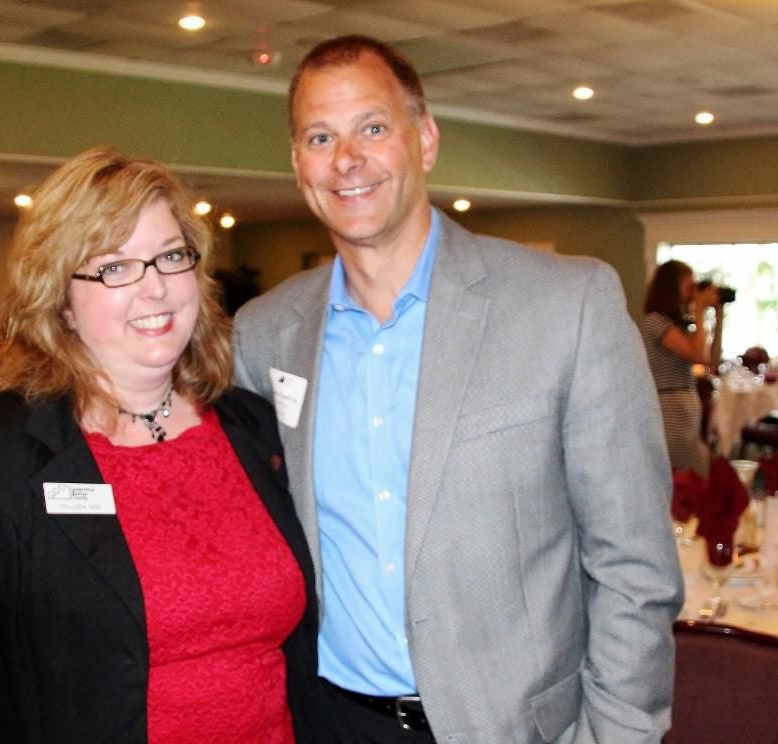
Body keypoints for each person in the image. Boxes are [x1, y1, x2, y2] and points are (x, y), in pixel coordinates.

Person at [233, 35, 684, 744]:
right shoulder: (264, 335)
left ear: (426, 138)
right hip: (329, 721)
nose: (347, 158)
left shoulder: (568, 304)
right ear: (298, 165)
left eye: (373, 128)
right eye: (321, 137)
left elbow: (634, 565)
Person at [0, 148, 319, 744]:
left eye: (170, 256)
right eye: (114, 267)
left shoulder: (254, 429)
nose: (155, 288)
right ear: (60, 299)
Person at [641, 260, 723, 476]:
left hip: (685, 408)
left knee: (697, 471)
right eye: (688, 287)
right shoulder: (655, 322)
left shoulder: (677, 325)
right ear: (670, 288)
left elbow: (711, 359)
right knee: (688, 474)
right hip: (670, 411)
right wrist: (699, 310)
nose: (692, 293)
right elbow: (697, 354)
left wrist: (718, 317)